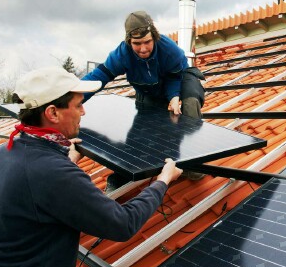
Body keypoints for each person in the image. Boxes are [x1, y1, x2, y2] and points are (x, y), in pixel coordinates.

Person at [0, 66, 182, 267]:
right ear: (52, 112)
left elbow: (33, 187)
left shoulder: (3, 154)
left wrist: (63, 157)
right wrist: (162, 181)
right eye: (77, 105)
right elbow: (123, 223)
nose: (83, 112)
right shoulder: (50, 173)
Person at [82, 11, 206, 183]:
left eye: (147, 42)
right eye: (136, 43)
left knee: (189, 105)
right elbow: (98, 77)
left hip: (180, 79)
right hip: (148, 90)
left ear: (154, 37)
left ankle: (193, 164)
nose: (143, 48)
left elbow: (174, 76)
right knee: (143, 130)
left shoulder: (169, 50)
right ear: (128, 41)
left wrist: (174, 96)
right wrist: (71, 100)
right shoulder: (121, 55)